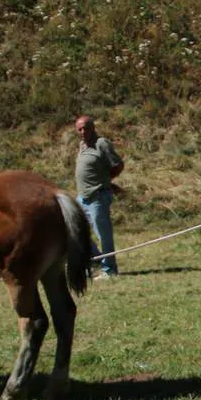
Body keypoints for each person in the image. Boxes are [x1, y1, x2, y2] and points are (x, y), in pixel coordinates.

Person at [74, 115, 124, 278]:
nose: (83, 132)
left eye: (86, 128)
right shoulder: (82, 145)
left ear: (93, 128)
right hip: (82, 197)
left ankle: (109, 269)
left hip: (98, 196)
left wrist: (106, 181)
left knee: (103, 234)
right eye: (80, 129)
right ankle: (95, 259)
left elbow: (118, 164)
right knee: (76, 229)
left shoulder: (101, 143)